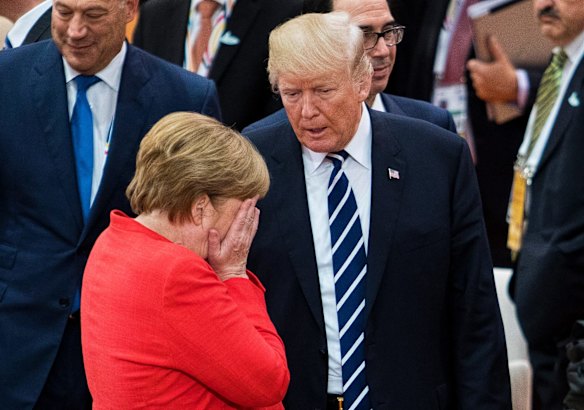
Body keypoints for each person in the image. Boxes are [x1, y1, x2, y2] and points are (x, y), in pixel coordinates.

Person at [243, 11, 512, 409]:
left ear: (362, 81)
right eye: (292, 94)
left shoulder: (437, 158)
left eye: (323, 91)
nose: (307, 111)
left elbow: (475, 314)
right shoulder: (253, 161)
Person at [0, 0, 221, 407]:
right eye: (64, 13)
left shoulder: (185, 97)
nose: (76, 30)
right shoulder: (6, 80)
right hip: (16, 344)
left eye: (94, 15)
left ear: (129, 9)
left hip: (134, 351)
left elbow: (205, 233)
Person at [81, 112, 288, 409]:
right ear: (201, 207)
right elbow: (269, 383)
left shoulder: (112, 241)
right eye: (239, 210)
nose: (243, 226)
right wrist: (234, 273)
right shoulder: (175, 272)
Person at [386, 0, 544, 268]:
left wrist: (520, 86)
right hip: (432, 162)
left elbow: (568, 72)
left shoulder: (541, 6)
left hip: (501, 176)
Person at [508, 0, 584, 408]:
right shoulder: (560, 64)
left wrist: (556, 262)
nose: (545, 4)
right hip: (540, 285)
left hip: (569, 305)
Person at [132, 0, 327, 130]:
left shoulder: (287, 9)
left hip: (244, 174)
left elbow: (285, 102)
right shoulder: (154, 13)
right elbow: (140, 97)